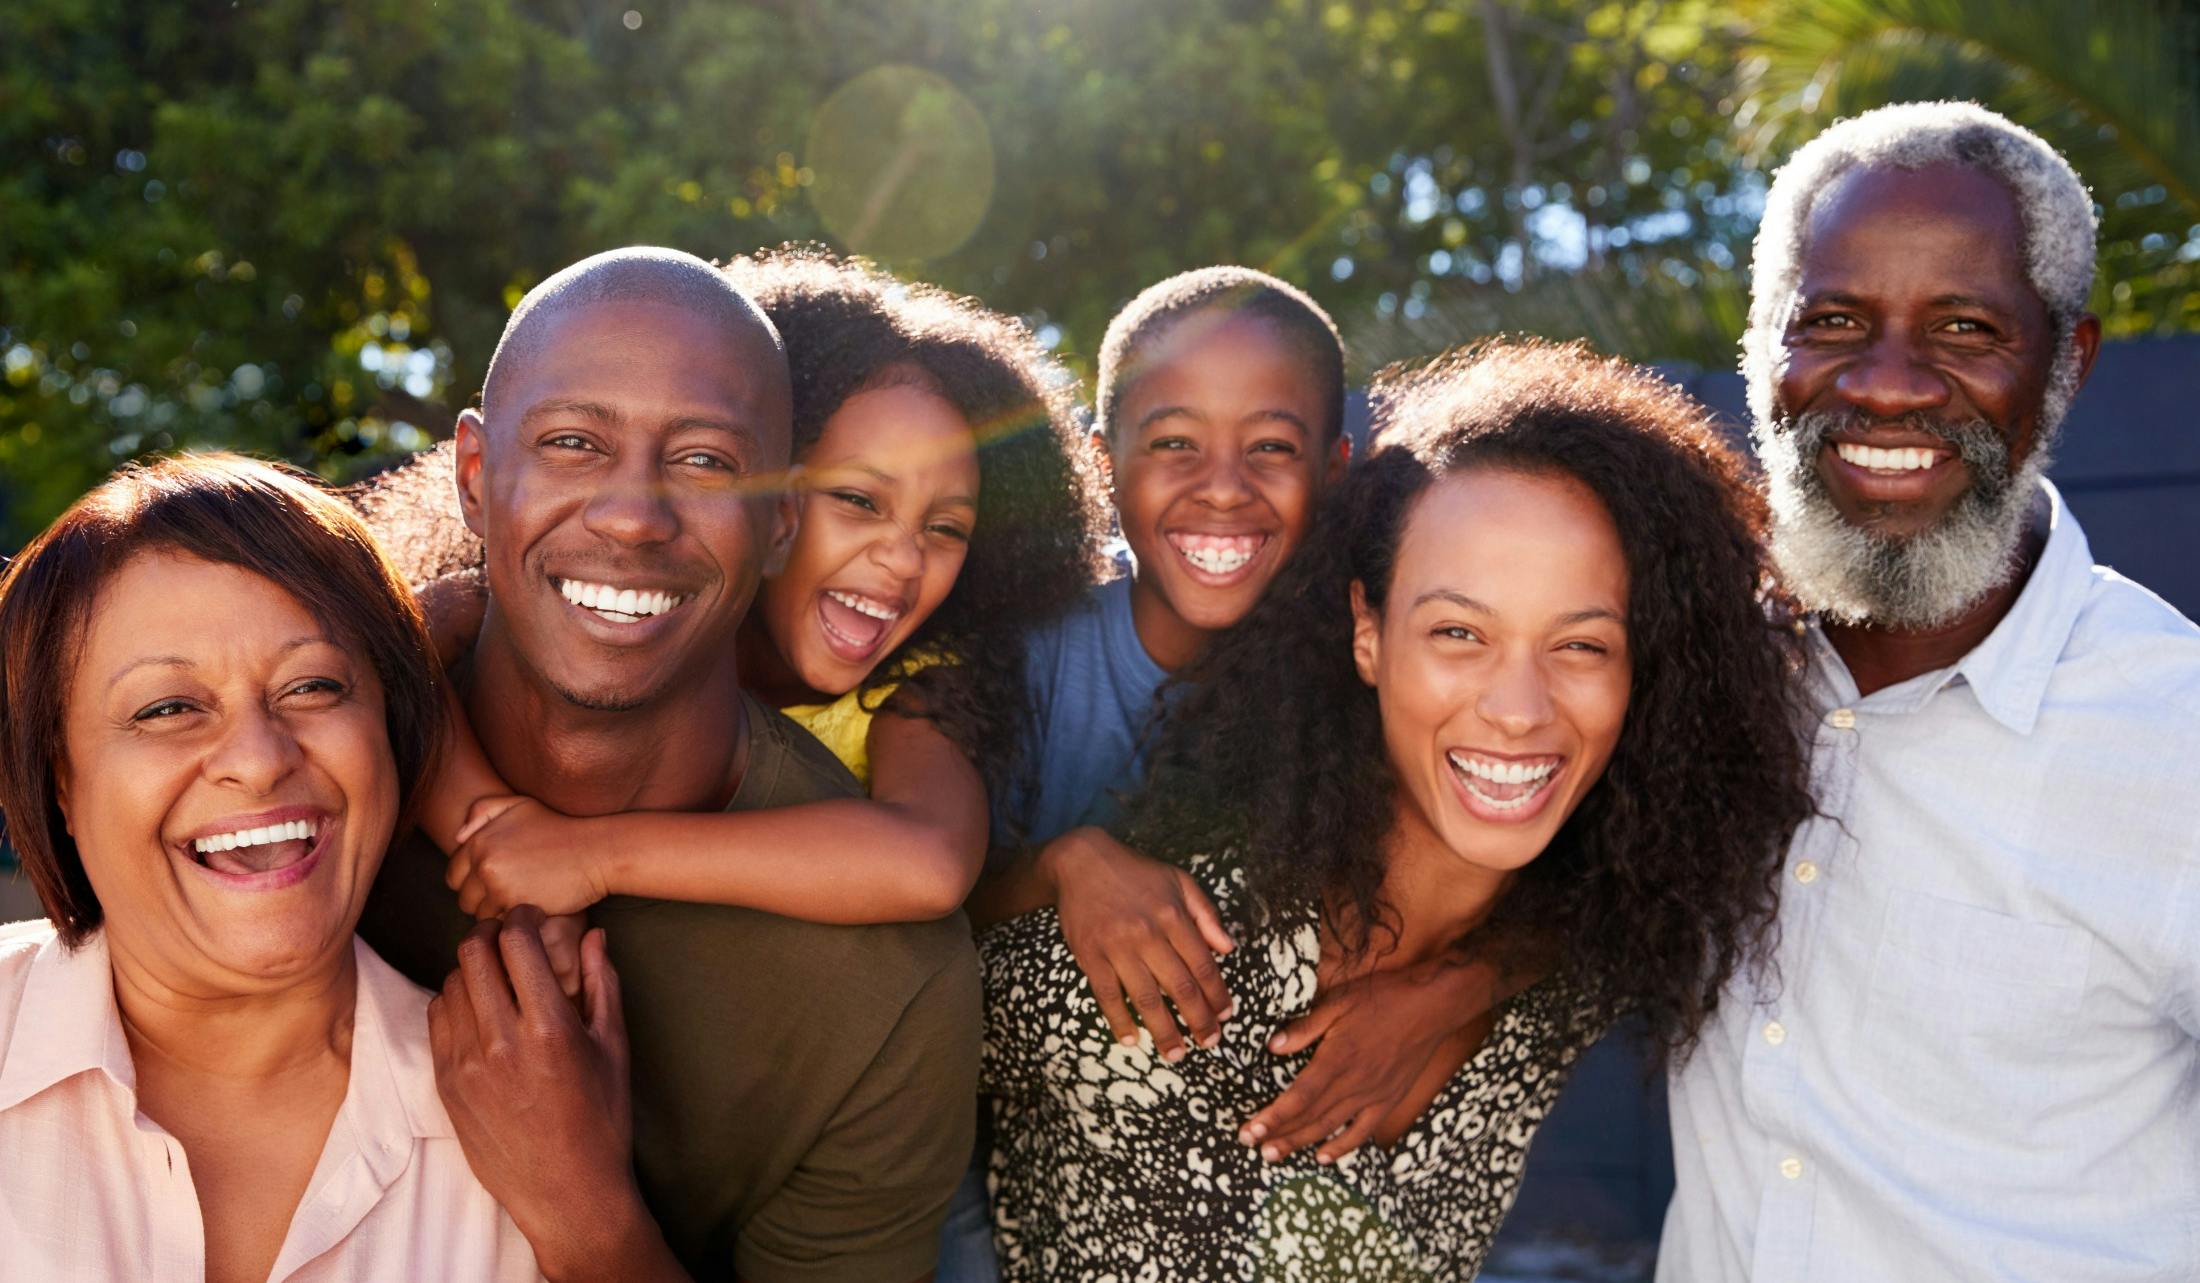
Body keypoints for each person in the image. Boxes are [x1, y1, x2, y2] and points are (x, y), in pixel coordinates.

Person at [979, 341, 1815, 1281]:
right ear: (1368, 633)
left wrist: (1465, 979)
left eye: (1581, 645)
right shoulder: (1173, 955)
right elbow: (910, 1006)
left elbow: (1607, 922)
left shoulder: (1579, 959)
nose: (1518, 708)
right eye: (1458, 631)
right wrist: (1058, 866)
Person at [354, 247, 981, 1283]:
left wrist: (588, 1214)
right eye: (572, 442)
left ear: (779, 521)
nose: (633, 514)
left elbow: (930, 858)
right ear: (474, 478)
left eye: (704, 460)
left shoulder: (891, 992)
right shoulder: (308, 783)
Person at [1659, 102, 2200, 1282]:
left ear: (2067, 363)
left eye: (1963, 328)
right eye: (1833, 321)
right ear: (1762, 351)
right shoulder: (1692, 669)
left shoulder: (2176, 737)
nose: (1889, 386)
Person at [358, 247, 1105, 935]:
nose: (903, 558)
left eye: (946, 528)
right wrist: (493, 832)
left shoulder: (911, 695)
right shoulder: (539, 602)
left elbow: (929, 862)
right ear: (776, 507)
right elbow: (386, 665)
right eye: (857, 501)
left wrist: (591, 856)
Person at [0, 454, 567, 1280]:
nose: (260, 759)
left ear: (391, 729)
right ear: (59, 777)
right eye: (168, 707)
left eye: (312, 687)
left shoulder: (537, 1136)